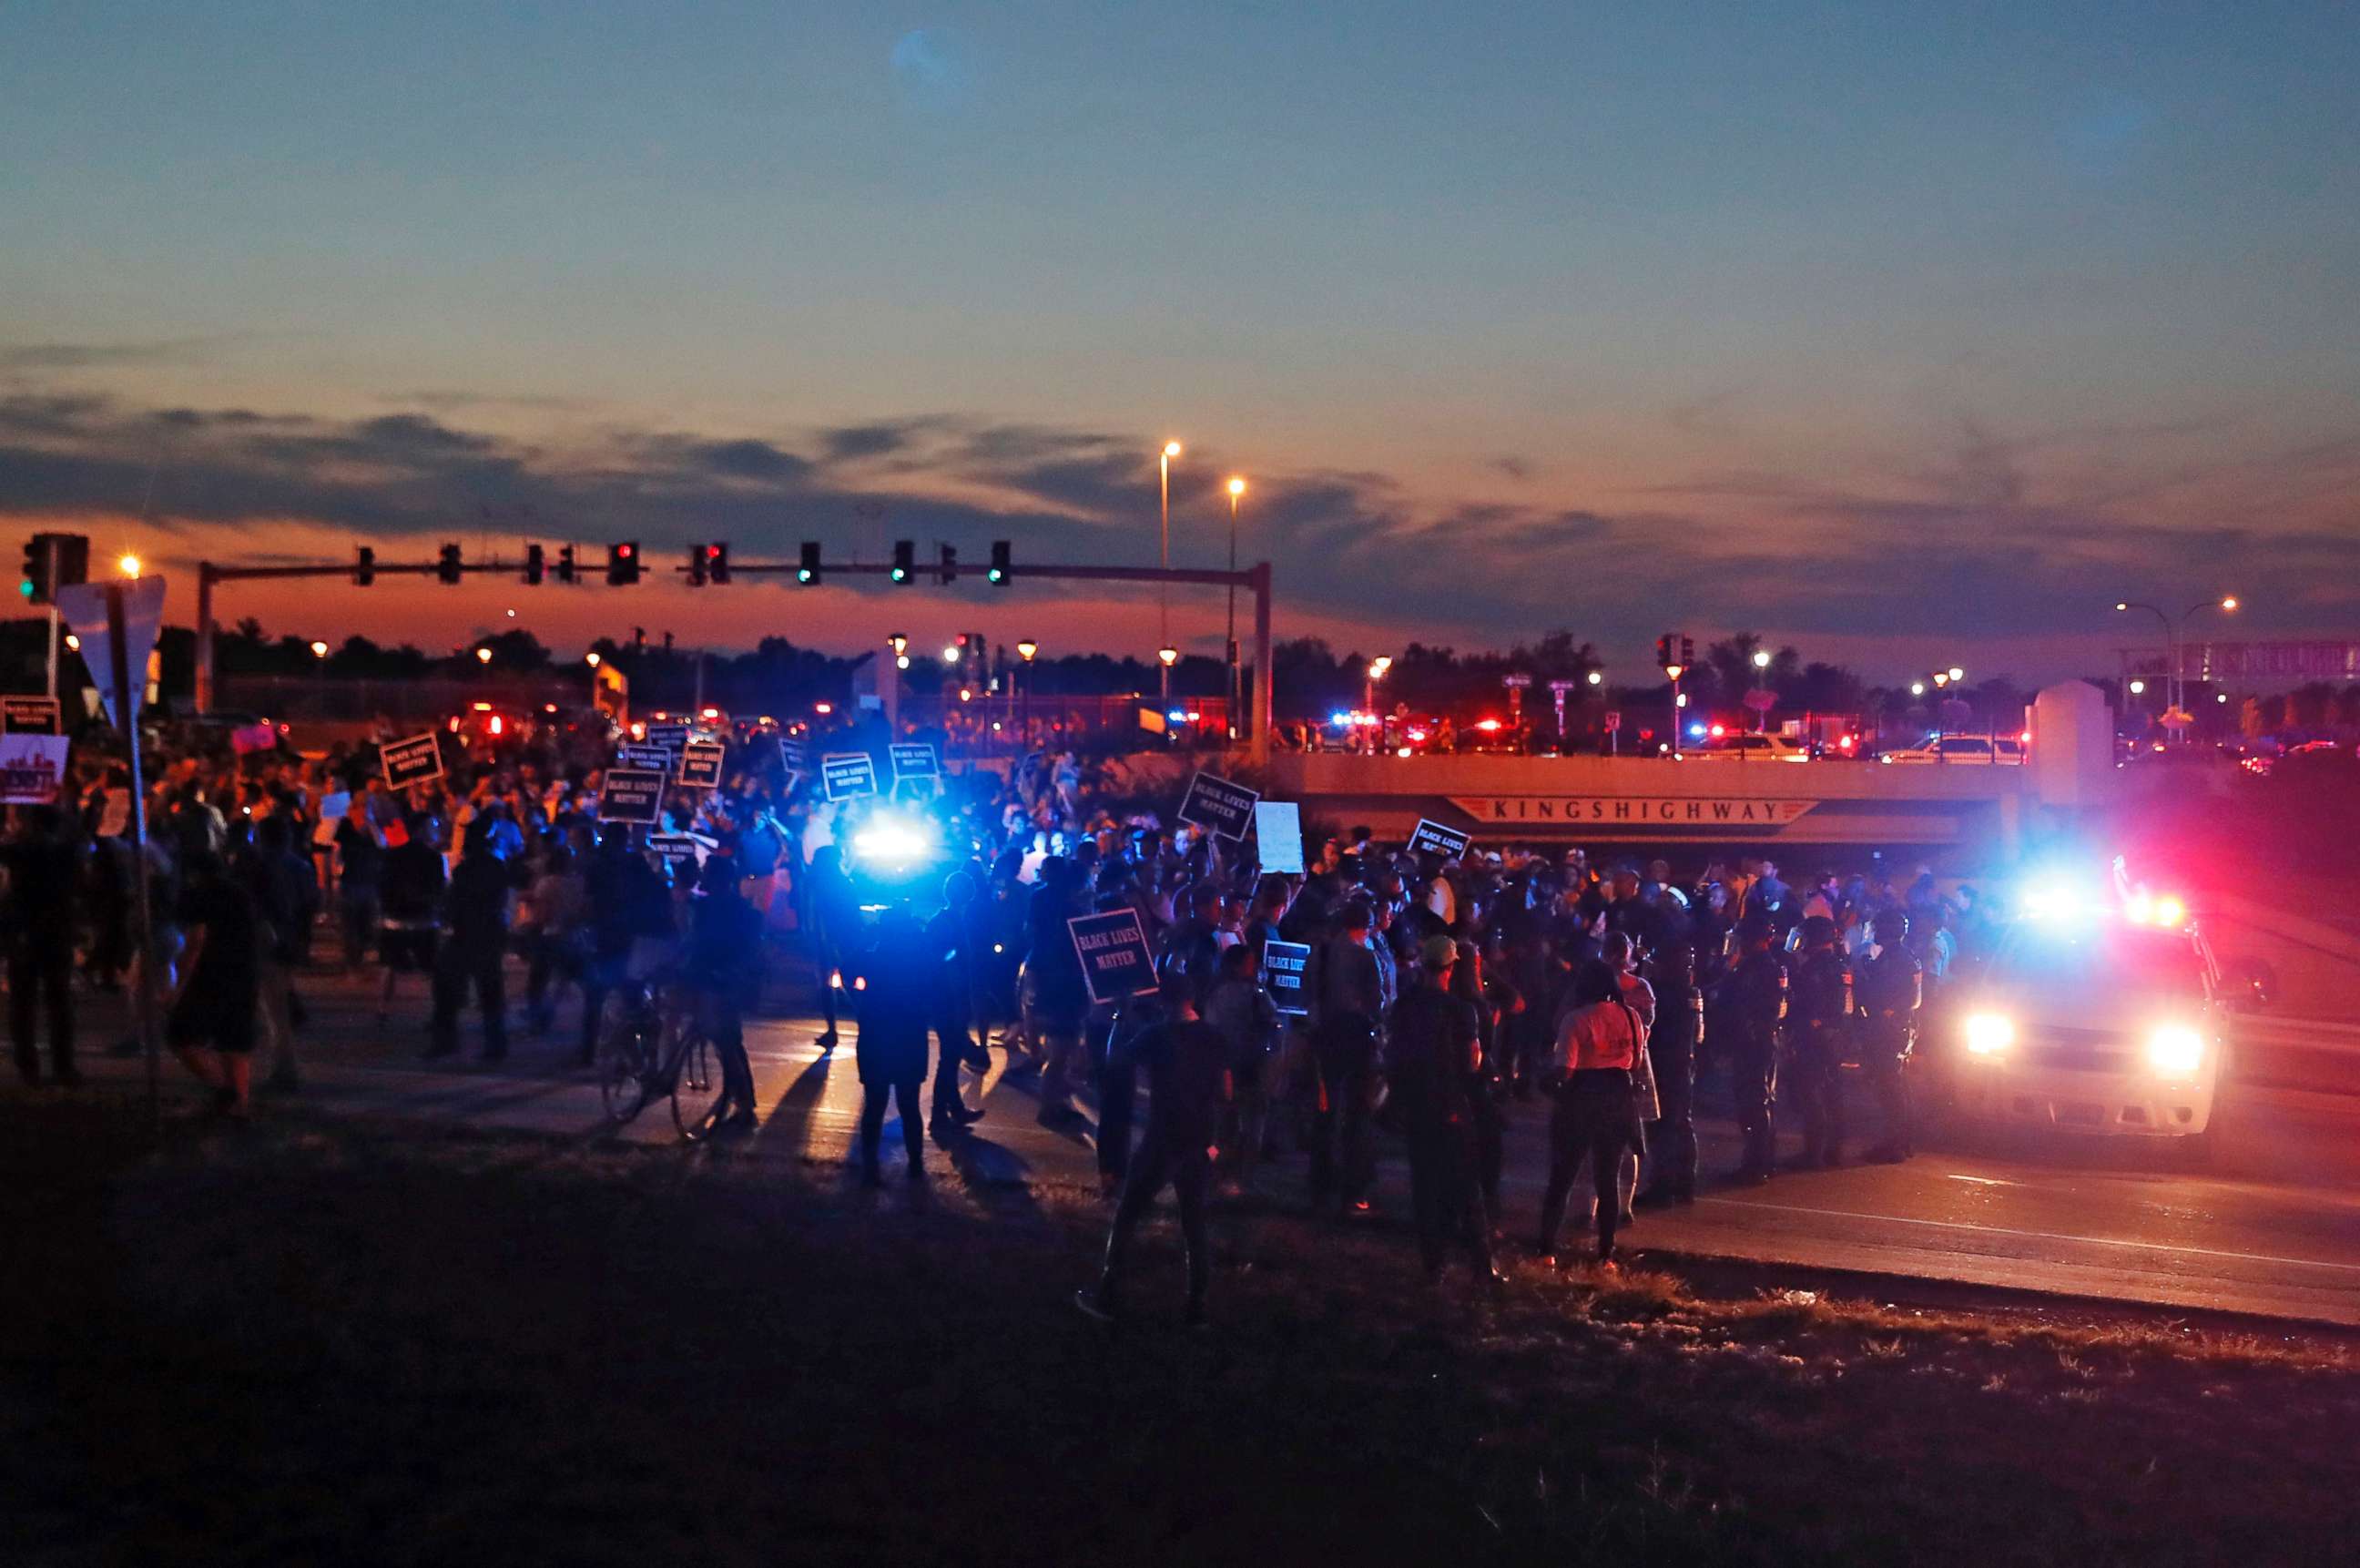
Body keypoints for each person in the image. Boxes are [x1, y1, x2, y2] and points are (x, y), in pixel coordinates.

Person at [1077, 972, 1232, 1327]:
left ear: (1162, 1001)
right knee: (1194, 1224)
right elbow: (1226, 1092)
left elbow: (1115, 1062)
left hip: (1163, 1139)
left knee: (1128, 1215)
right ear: (1193, 999)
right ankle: (1196, 1307)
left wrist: (1120, 1016)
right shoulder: (1213, 1037)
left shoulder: (1156, 1035)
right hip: (1199, 1139)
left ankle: (1107, 1296)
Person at [1385, 933, 1502, 1287]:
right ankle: (1482, 1265)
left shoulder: (1405, 1004)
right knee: (1467, 1184)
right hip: (1451, 1104)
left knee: (1425, 1184)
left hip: (1416, 1105)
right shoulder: (1459, 1009)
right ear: (1452, 967)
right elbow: (1471, 1061)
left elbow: (1394, 1054)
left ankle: (1432, 1263)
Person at [1535, 962, 1648, 1268]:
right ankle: (1606, 1255)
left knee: (1563, 1177)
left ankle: (1547, 1252)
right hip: (1618, 1101)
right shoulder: (1631, 1016)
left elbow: (1565, 1071)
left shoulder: (1576, 1019)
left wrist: (1543, 1082)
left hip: (1581, 1102)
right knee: (1607, 1179)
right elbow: (1634, 1062)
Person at [166, 850, 266, 1118]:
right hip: (245, 971)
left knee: (180, 1034)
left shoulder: (203, 895)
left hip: (213, 973)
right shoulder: (240, 893)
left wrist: (178, 987)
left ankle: (224, 1090)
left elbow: (197, 940)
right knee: (234, 1039)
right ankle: (240, 1106)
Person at [1308, 898, 1384, 1211]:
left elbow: (1309, 995)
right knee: (1358, 1114)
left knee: (1324, 1111)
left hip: (1326, 1037)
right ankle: (1355, 1189)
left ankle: (1320, 1184)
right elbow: (1377, 1003)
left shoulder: (1322, 952)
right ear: (1365, 928)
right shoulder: (1367, 956)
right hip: (1357, 1039)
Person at [852, 909, 932, 1184]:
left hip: (876, 1036)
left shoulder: (873, 958)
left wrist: (869, 936)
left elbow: (849, 965)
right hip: (909, 1038)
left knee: (875, 1104)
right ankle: (915, 1165)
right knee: (909, 1105)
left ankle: (870, 1166)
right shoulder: (919, 962)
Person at [5, 805, 82, 1087]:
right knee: (58, 1002)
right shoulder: (64, 852)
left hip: (27, 934)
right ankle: (63, 1066)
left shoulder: (20, 852)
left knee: (24, 1004)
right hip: (55, 933)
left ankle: (29, 1066)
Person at [686, 854, 761, 1135]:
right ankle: (741, 1100)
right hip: (708, 979)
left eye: (707, 872)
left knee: (728, 1041)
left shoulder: (734, 910)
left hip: (724, 983)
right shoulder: (708, 906)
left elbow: (745, 950)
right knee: (725, 1041)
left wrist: (729, 974)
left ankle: (744, 1105)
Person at [427, 821, 512, 1062]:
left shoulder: (465, 870)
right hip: (488, 934)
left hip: (466, 934)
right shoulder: (496, 867)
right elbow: (501, 900)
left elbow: (454, 901)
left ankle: (446, 1040)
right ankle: (495, 1046)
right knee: (490, 993)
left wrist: (447, 919)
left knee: (447, 989)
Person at [1721, 914, 1789, 1184]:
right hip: (1760, 1042)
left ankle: (1756, 1165)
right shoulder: (1765, 966)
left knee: (1755, 1103)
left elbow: (1740, 1004)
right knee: (1760, 1101)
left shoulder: (1757, 968)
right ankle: (1763, 1160)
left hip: (1754, 1044)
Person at [1853, 911, 1923, 1163]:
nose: (1874, 933)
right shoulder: (1897, 956)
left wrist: (1886, 1013)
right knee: (1896, 1086)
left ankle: (1894, 1145)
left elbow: (1909, 997)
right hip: (1895, 1028)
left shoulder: (1900, 958)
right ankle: (1902, 1140)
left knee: (1891, 1087)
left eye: (1878, 928)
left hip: (1891, 1030)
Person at [1786, 915, 1855, 1168]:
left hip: (1815, 1038)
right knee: (1833, 1092)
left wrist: (1804, 1027)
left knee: (1811, 1093)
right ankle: (1834, 1150)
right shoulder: (1840, 965)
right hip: (1836, 1037)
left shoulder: (1815, 967)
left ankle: (1813, 1153)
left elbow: (1807, 1004)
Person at [925, 871, 987, 1139]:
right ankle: (939, 1115)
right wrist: (959, 1002)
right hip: (948, 1000)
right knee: (949, 1059)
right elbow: (949, 965)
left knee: (950, 1057)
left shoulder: (946, 920)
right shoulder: (950, 923)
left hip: (944, 999)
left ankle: (954, 1109)